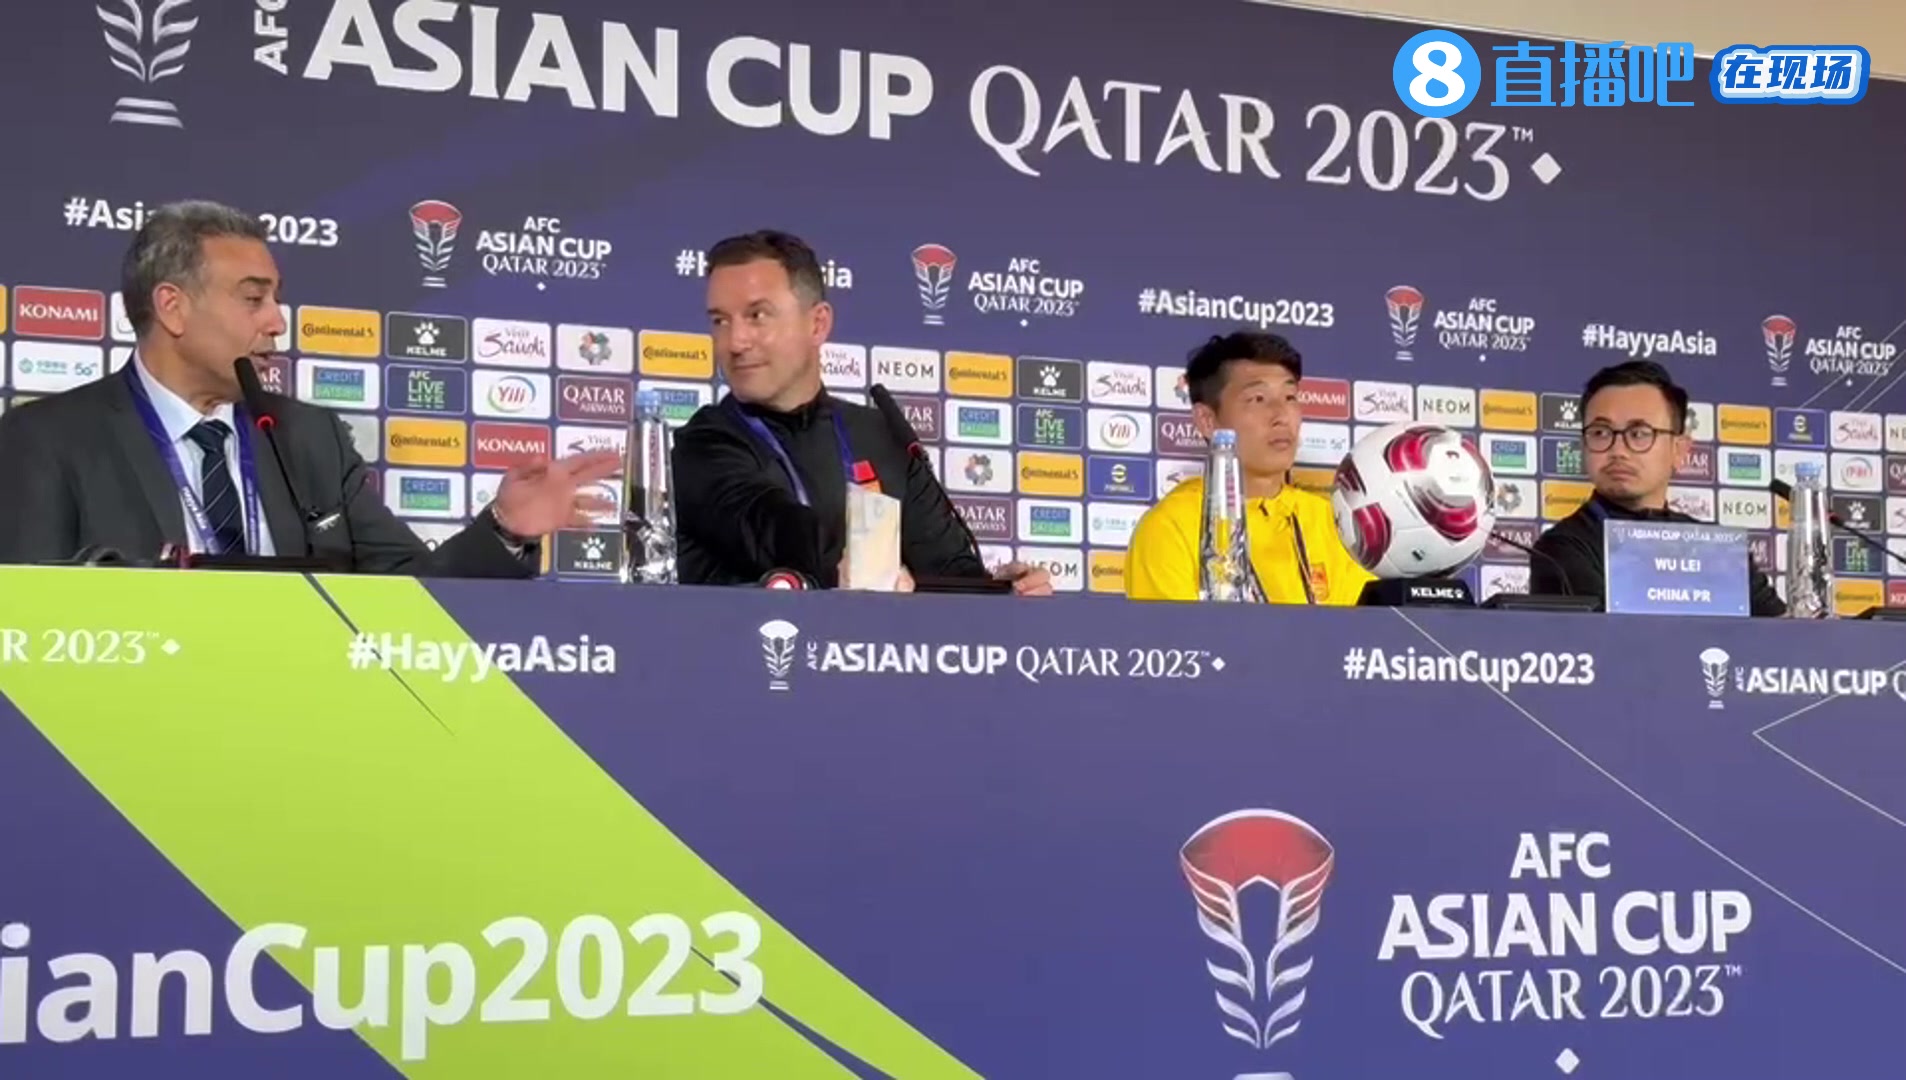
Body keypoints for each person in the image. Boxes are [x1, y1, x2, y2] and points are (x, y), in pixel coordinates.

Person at [0, 200, 618, 573]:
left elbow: (411, 591)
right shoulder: (48, 439)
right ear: (173, 307)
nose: (277, 321)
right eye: (253, 299)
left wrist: (505, 527)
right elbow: (27, 632)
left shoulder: (308, 436)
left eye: (276, 298)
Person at [672, 229, 1051, 594]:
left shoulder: (883, 435)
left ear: (818, 324)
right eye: (720, 321)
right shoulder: (704, 444)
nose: (735, 342)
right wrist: (875, 568)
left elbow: (947, 573)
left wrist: (1000, 589)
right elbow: (776, 535)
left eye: (757, 315)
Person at [1125, 331, 1372, 603]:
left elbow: (1371, 625)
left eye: (1290, 397)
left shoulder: (1334, 523)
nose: (1281, 415)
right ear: (1207, 420)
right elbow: (1170, 630)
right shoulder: (1170, 528)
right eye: (1258, 399)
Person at [1530, 360, 1785, 615]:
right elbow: (1600, 637)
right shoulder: (1560, 550)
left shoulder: (1719, 549)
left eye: (1639, 433)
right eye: (1600, 433)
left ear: (1679, 450)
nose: (1618, 450)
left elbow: (1781, 631)